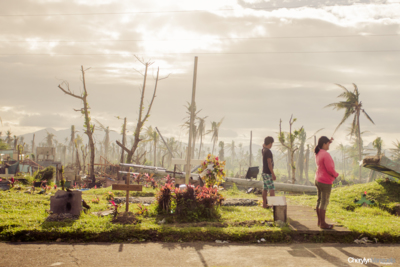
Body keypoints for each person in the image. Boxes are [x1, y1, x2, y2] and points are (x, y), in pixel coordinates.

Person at [314, 136, 339, 229]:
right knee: (324, 202)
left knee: (319, 200)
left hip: (318, 179)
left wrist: (329, 141)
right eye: (328, 143)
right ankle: (323, 223)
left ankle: (320, 222)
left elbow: (324, 144)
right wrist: (336, 174)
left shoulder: (318, 152)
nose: (329, 145)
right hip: (325, 181)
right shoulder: (326, 155)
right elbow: (330, 169)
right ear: (324, 144)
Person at [262, 136, 276, 208]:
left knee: (265, 189)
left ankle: (264, 204)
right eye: (271, 143)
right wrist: (273, 173)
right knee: (272, 189)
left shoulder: (264, 150)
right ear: (270, 143)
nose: (272, 145)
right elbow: (269, 163)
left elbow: (263, 146)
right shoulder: (268, 152)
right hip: (268, 173)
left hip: (264, 172)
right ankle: (272, 205)